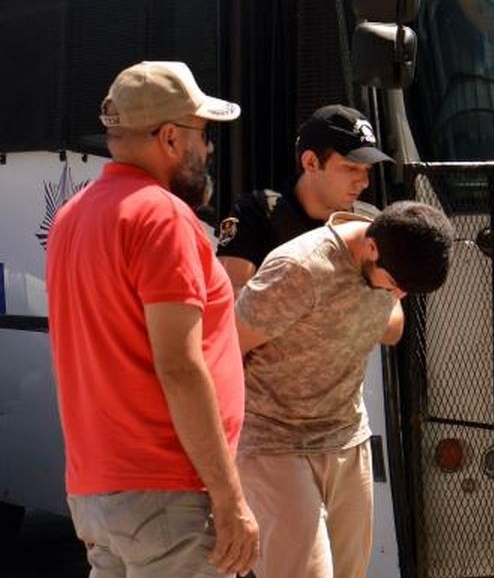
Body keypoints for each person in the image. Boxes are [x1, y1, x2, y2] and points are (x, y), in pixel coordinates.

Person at [46, 60, 259, 577]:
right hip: (168, 496)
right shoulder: (161, 217)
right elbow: (180, 367)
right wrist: (230, 498)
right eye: (203, 133)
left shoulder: (73, 216)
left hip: (98, 489)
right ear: (169, 137)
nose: (207, 149)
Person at [234, 201, 454, 578]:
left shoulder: (394, 250)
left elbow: (394, 327)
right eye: (396, 285)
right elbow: (225, 347)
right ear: (371, 249)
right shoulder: (299, 268)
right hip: (275, 442)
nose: (398, 296)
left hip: (346, 438)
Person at [216, 104, 392, 293]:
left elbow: (394, 312)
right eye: (351, 167)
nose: (364, 182)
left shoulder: (371, 223)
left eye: (366, 170)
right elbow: (229, 299)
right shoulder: (256, 215)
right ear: (311, 162)